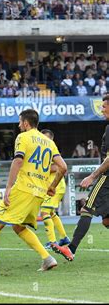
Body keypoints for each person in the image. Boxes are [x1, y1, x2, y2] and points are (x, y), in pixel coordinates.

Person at [0, 109, 67, 276]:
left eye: (19, 122)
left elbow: (17, 161)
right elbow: (63, 167)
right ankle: (47, 259)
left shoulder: (23, 137)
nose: (18, 125)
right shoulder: (49, 142)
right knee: (18, 226)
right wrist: (52, 186)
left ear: (26, 123)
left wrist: (8, 187)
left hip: (23, 188)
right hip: (39, 192)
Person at [52, 95, 109, 260]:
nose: (102, 109)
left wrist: (92, 176)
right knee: (106, 221)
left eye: (104, 107)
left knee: (86, 209)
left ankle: (71, 248)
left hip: (107, 178)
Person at [39, 129, 70, 249]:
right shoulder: (44, 150)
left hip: (55, 186)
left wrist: (42, 169)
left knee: (45, 212)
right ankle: (63, 237)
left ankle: (52, 242)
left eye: (45, 137)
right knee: (51, 213)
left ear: (51, 139)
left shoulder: (51, 149)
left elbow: (58, 166)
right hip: (54, 186)